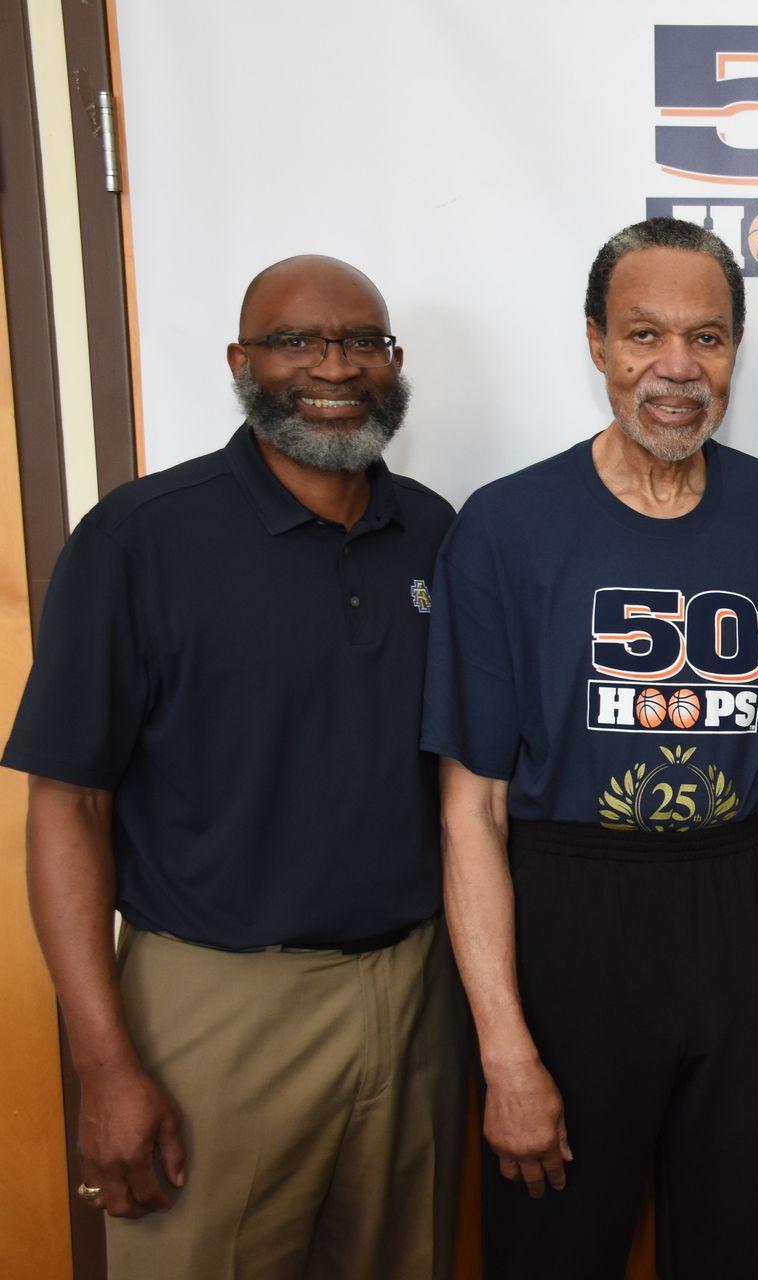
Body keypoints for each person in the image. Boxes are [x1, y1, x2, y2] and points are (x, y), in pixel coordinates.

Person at [3, 256, 464, 1278]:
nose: (334, 365)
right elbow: (67, 805)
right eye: (298, 341)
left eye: (363, 342)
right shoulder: (140, 539)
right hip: (217, 1004)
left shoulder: (434, 533)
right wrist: (103, 1064)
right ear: (239, 360)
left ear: (392, 364)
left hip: (415, 994)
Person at [424, 216, 758, 1278]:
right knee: (554, 1242)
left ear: (737, 349)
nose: (676, 368)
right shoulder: (507, 526)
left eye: (707, 338)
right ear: (597, 342)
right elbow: (470, 808)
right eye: (645, 333)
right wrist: (506, 1050)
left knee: (728, 1246)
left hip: (735, 903)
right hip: (571, 917)